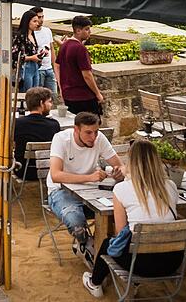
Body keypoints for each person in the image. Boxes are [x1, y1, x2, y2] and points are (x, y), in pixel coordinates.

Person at [82, 140, 183, 298]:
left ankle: (95, 283)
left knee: (108, 243)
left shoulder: (121, 189)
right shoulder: (170, 186)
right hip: (172, 262)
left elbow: (121, 232)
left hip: (139, 264)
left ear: (131, 162)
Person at [48, 112, 124, 265]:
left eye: (96, 132)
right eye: (88, 133)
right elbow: (56, 175)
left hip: (91, 190)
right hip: (61, 191)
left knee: (120, 211)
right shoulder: (61, 139)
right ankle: (88, 245)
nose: (93, 137)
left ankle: (101, 248)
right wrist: (89, 177)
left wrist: (119, 173)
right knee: (76, 222)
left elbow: (121, 166)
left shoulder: (99, 138)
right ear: (76, 130)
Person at [56, 15, 103, 117]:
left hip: (68, 95)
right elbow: (87, 75)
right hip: (83, 96)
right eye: (86, 29)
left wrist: (61, 88)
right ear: (78, 30)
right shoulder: (80, 48)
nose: (89, 32)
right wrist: (97, 93)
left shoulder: (64, 45)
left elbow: (57, 65)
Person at [14, 87, 60, 180]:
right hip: (49, 170)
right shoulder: (54, 125)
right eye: (49, 102)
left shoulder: (17, 123)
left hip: (23, 171)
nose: (51, 105)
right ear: (41, 103)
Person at [12, 10, 43, 92]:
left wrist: (40, 54)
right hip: (25, 67)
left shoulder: (32, 35)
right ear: (27, 21)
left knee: (35, 93)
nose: (37, 23)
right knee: (27, 93)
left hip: (35, 66)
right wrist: (31, 58)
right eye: (34, 21)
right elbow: (14, 55)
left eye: (37, 21)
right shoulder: (20, 36)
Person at [32, 7, 58, 100]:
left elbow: (52, 50)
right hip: (38, 69)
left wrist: (55, 68)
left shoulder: (47, 31)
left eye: (42, 17)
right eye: (39, 17)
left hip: (49, 69)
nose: (41, 19)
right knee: (39, 99)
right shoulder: (30, 33)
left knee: (53, 98)